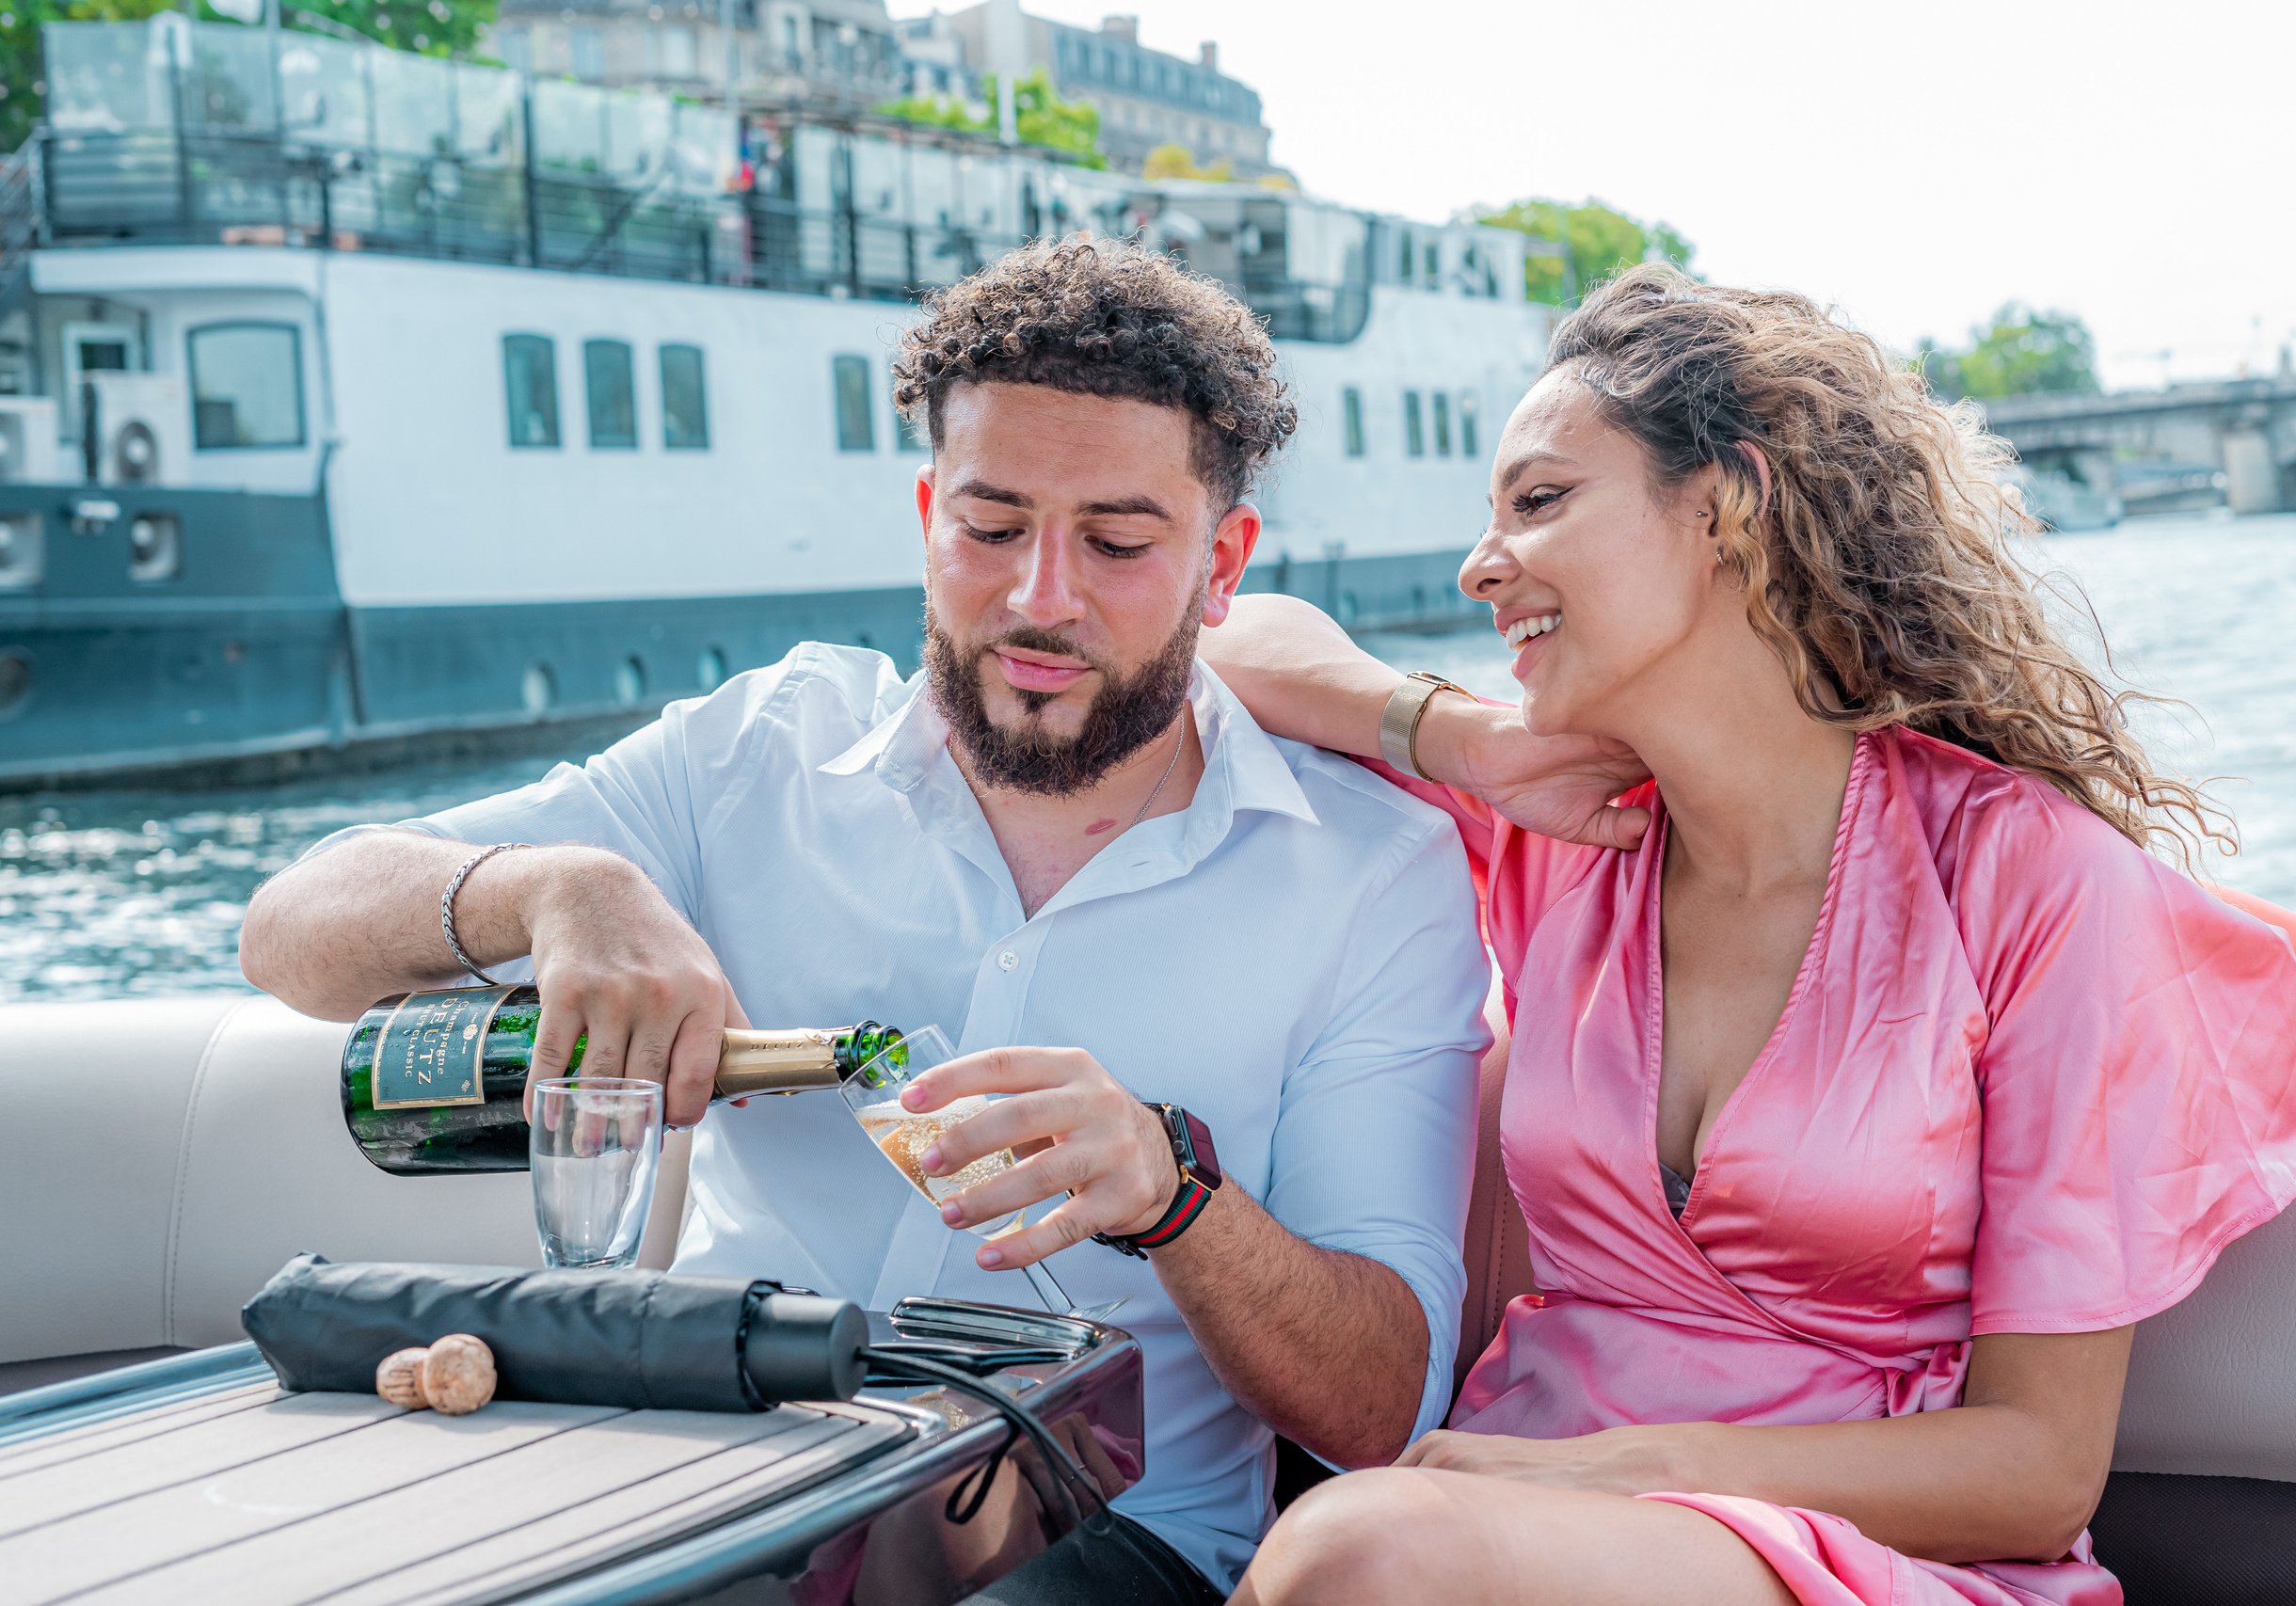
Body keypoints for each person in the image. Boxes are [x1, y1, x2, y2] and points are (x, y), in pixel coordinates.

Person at [240, 239, 1490, 1603]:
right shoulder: (751, 756)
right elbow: (290, 930)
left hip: (1102, 1541)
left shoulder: (1374, 875)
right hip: (711, 1487)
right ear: (925, 514)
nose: (1040, 598)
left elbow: (1376, 1408)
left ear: (1223, 562)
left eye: (1118, 543)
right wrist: (557, 889)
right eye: (992, 527)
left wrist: (1170, 1190)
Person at [1199, 266, 2296, 1606]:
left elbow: (2040, 1468)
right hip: (1500, 1524)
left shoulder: (2035, 882)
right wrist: (1468, 739)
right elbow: (1221, 640)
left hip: (1840, 1556)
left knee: (1354, 1549)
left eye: (1541, 501)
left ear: (1727, 503)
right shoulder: (1566, 833)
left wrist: (1624, 1471)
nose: (1478, 563)